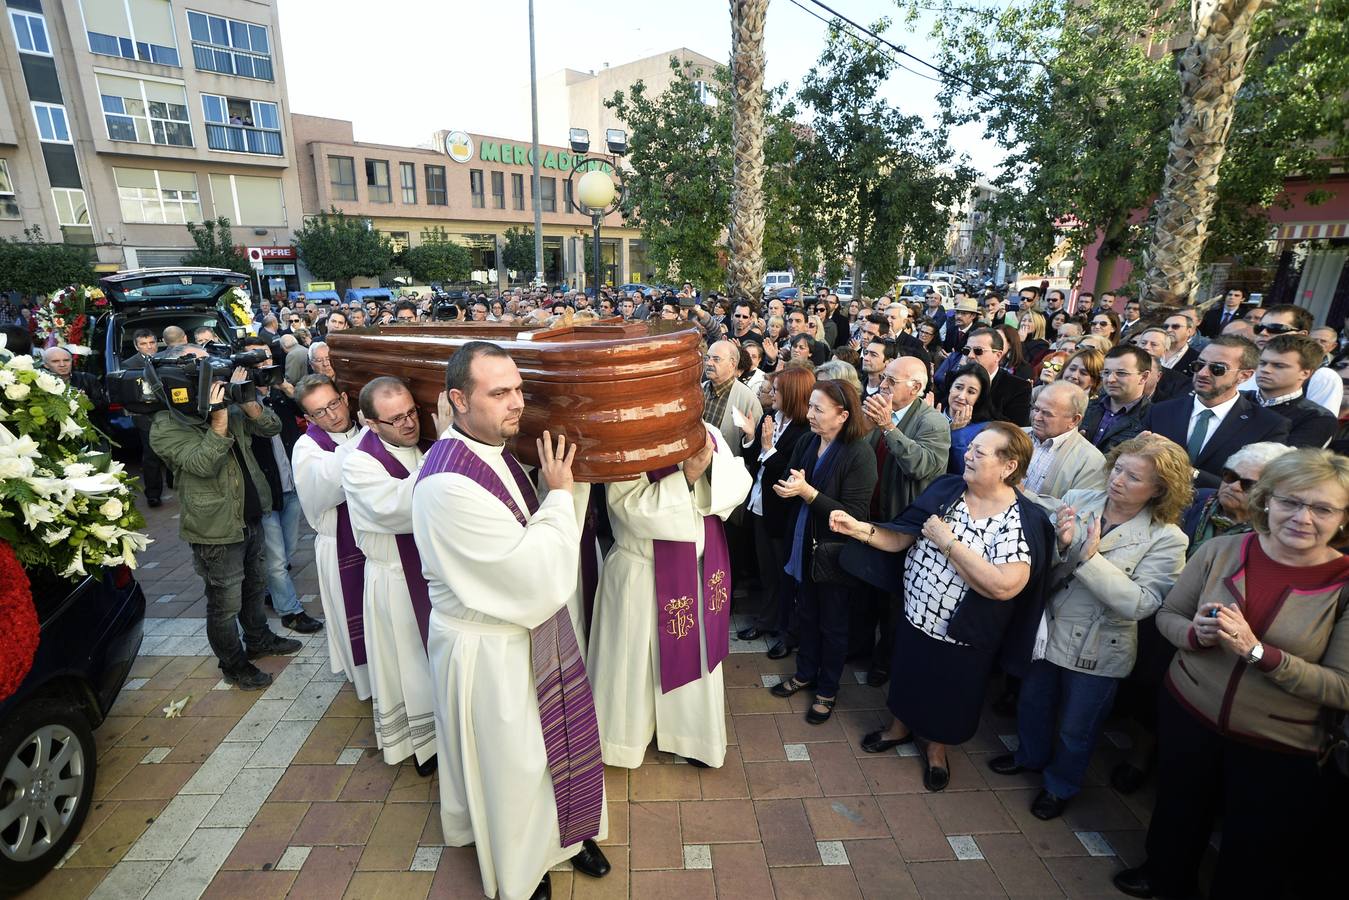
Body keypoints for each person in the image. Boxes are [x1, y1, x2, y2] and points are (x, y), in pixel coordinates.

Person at [411, 343, 610, 900]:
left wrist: (559, 489)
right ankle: (526, 868)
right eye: (499, 393)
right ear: (458, 399)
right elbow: (531, 575)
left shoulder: (492, 448)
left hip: (527, 632)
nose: (517, 403)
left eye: (518, 389)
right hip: (490, 647)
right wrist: (562, 494)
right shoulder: (447, 483)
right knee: (517, 767)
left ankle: (567, 838)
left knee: (559, 748)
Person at [1114, 449, 1349, 900]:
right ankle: (1164, 873)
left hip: (1279, 742)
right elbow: (1168, 617)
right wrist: (1195, 633)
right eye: (1289, 502)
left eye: (1322, 508)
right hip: (1189, 711)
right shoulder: (1222, 550)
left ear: (1342, 518)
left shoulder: (1341, 584)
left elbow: (1341, 686)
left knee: (1254, 844)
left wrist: (1259, 653)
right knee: (1179, 808)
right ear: (1266, 501)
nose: (1302, 517)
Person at [830, 423, 1052, 791]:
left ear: (1008, 466)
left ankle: (936, 750)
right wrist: (859, 529)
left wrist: (948, 542)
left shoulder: (1022, 520)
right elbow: (902, 535)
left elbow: (1003, 586)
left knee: (952, 695)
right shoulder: (948, 489)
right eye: (971, 449)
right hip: (916, 615)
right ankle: (898, 729)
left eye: (980, 453)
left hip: (966, 634)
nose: (967, 455)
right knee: (907, 676)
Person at [989, 435, 1190, 819]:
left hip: (1099, 646)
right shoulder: (1081, 499)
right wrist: (1061, 547)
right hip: (1051, 629)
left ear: (1159, 489)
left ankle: (1060, 785)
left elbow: (1142, 603)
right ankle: (1029, 756)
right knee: (1034, 702)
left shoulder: (1167, 538)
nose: (1118, 480)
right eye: (1118, 468)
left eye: (1134, 477)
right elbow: (1038, 562)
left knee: (1075, 727)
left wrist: (1088, 558)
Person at [590, 417, 751, 768]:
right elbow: (629, 510)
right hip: (640, 571)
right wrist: (688, 479)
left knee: (695, 653)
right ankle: (626, 741)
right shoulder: (626, 441)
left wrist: (709, 473)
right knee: (633, 662)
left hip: (694, 569)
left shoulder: (701, 429)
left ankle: (691, 737)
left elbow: (739, 479)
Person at [149, 345, 301, 690]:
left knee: (254, 587)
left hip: (250, 515)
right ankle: (233, 664)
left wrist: (246, 399)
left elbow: (271, 427)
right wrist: (218, 421)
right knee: (224, 604)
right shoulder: (165, 423)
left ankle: (259, 639)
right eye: (197, 364)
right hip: (214, 528)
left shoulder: (232, 407)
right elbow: (202, 463)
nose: (209, 371)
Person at [341, 377, 440, 775]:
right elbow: (399, 508)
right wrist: (448, 450)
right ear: (370, 423)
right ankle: (424, 744)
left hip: (435, 574)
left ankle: (450, 734)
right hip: (396, 579)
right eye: (396, 418)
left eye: (412, 412)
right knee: (410, 667)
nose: (409, 424)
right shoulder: (358, 461)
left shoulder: (424, 445)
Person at [768, 380, 877, 725]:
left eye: (818, 408)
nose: (810, 414)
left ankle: (827, 689)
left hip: (834, 554)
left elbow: (854, 514)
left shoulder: (859, 453)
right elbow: (792, 476)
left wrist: (807, 493)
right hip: (803, 542)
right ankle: (804, 673)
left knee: (833, 623)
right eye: (810, 406)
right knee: (807, 613)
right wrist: (789, 487)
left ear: (843, 415)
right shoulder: (808, 440)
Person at [857, 355, 951, 684]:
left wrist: (888, 428)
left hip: (903, 524)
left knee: (894, 600)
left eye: (891, 382)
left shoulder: (932, 422)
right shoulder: (877, 411)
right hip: (871, 515)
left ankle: (885, 660)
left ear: (915, 388)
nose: (882, 386)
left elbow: (922, 466)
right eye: (883, 379)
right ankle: (861, 645)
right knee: (867, 588)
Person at [236, 336, 323, 635]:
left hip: (291, 486)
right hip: (265, 493)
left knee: (286, 552)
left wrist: (283, 385)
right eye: (251, 363)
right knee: (275, 558)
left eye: (262, 362)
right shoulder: (239, 406)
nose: (259, 368)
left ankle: (273, 592)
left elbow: (308, 412)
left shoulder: (278, 394)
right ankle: (291, 612)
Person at [292, 375, 371, 699]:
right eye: (320, 412)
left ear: (344, 397)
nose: (332, 415)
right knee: (359, 623)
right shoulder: (307, 447)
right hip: (340, 550)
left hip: (380, 548)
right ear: (309, 419)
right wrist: (369, 434)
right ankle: (369, 687)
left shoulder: (366, 430)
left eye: (334, 404)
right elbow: (327, 484)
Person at [1141, 336, 1290, 489]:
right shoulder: (1160, 411)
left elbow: (1257, 488)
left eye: (1217, 368)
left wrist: (1191, 473)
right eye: (1199, 365)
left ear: (1244, 375)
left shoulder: (1267, 425)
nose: (1203, 373)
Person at [736, 368, 815, 657]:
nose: (771, 395)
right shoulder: (771, 418)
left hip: (782, 511)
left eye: (777, 390)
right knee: (766, 569)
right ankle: (767, 620)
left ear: (793, 394)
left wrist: (767, 448)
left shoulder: (805, 430)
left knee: (784, 574)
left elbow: (787, 471)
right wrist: (749, 437)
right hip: (759, 504)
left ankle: (785, 630)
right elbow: (753, 458)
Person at [1181, 442, 1293, 558]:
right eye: (1231, 476)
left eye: (1248, 484)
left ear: (1270, 495)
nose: (1234, 486)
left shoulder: (1271, 536)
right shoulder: (1192, 499)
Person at [1240, 303, 1343, 415]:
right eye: (1259, 327)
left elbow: (1320, 423)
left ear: (1302, 334)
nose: (1263, 333)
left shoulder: (1322, 377)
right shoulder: (1243, 366)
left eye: (1276, 328)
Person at [1247, 333, 1337, 447]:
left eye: (1279, 366)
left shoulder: (1318, 418)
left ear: (1305, 373)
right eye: (1262, 363)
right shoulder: (1236, 398)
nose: (1265, 370)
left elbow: (1285, 462)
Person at [1021, 382, 1105, 499]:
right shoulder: (1014, 435)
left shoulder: (1091, 462)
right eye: (1036, 409)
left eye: (1047, 413)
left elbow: (1075, 510)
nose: (1036, 417)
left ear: (1074, 420)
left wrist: (1020, 494)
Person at [940, 328, 1032, 426]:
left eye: (978, 351)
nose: (970, 355)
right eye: (967, 350)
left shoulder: (1018, 388)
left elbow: (1014, 430)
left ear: (998, 355)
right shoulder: (954, 377)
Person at [1077, 345, 1153, 454]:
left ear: (1144, 377)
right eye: (1106, 372)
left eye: (1121, 373)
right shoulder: (1086, 406)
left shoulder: (1151, 419)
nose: (1110, 379)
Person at [127, 329, 168, 506]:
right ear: (137, 346)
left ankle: (175, 482)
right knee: (151, 455)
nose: (149, 347)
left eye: (152, 342)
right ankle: (153, 494)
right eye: (144, 344)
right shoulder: (129, 364)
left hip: (169, 412)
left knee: (174, 450)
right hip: (145, 416)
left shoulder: (168, 358)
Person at [702, 339, 763, 457]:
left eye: (716, 359)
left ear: (732, 364)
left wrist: (750, 437)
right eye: (707, 358)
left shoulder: (748, 400)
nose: (709, 363)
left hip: (726, 469)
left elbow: (755, 449)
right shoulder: (699, 390)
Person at [943, 363, 996, 476]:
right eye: (958, 387)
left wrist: (956, 434)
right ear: (950, 388)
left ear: (979, 398)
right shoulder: (932, 412)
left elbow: (965, 471)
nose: (961, 396)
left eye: (971, 392)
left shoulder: (985, 430)